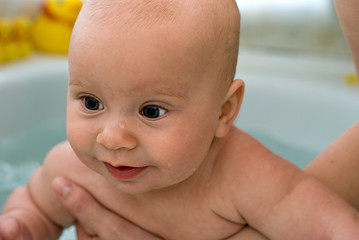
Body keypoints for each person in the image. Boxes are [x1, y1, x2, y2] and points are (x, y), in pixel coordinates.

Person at [1, 0, 359, 239]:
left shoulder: (242, 177)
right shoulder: (72, 169)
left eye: (151, 111)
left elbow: (331, 228)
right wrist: (23, 226)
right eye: (91, 102)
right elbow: (35, 205)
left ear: (224, 111)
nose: (111, 138)